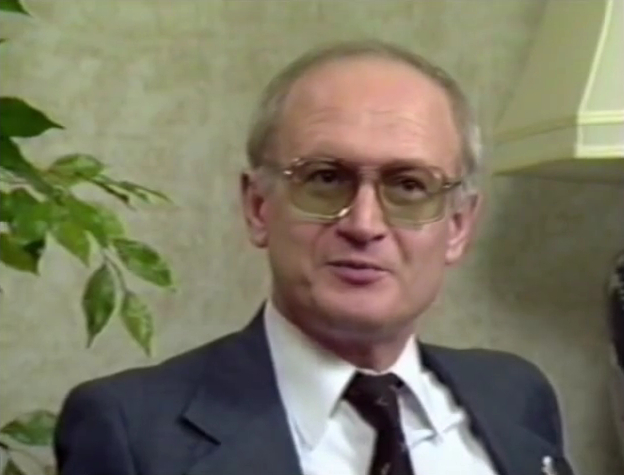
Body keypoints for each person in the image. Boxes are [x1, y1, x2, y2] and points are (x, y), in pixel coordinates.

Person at [54, 40, 574, 475]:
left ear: (458, 226)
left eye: (409, 185)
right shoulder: (133, 431)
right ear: (258, 207)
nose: (364, 224)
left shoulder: (516, 396)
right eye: (325, 179)